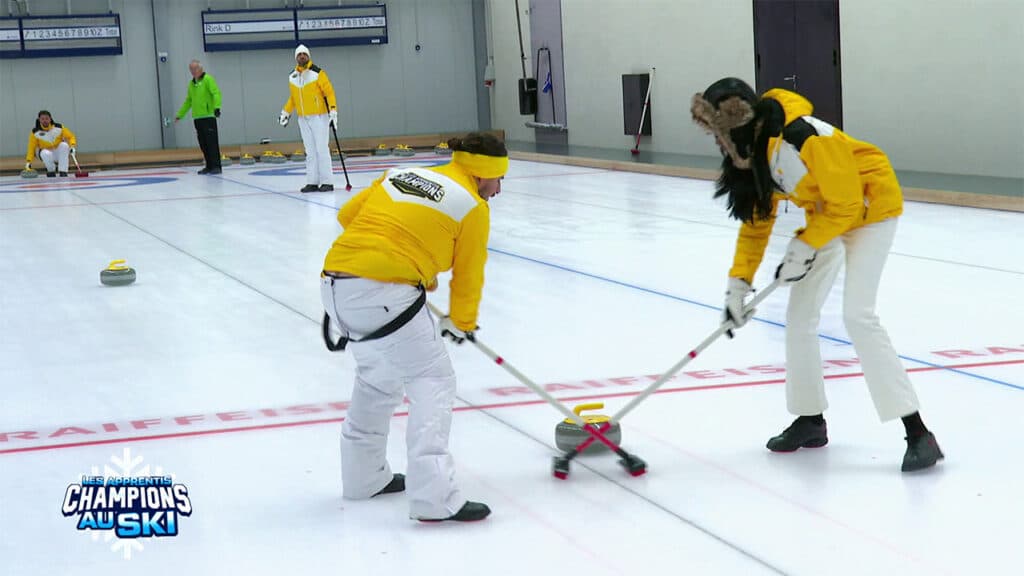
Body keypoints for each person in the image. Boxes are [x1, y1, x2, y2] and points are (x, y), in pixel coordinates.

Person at [690, 77, 943, 472]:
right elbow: (757, 221)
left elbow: (845, 205)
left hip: (869, 207)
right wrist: (738, 283)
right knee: (799, 315)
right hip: (826, 214)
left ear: (739, 122)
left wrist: (805, 246)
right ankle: (810, 419)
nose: (718, 142)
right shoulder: (752, 151)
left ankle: (919, 433)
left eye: (720, 132)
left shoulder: (801, 136)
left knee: (858, 315)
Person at [319, 132, 508, 521]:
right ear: (483, 172)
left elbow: (347, 216)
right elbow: (469, 274)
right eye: (498, 179)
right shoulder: (471, 206)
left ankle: (363, 477)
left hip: (335, 283)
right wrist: (462, 322)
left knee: (378, 379)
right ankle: (434, 498)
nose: (499, 189)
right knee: (433, 379)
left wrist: (410, 258)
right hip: (385, 293)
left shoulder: (401, 174)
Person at [279, 44, 337, 193]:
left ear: (309, 56)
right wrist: (286, 113)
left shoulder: (318, 73)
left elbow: (329, 93)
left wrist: (333, 111)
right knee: (310, 151)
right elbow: (293, 98)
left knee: (321, 149)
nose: (302, 56)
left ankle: (327, 181)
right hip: (303, 118)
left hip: (319, 116)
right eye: (299, 54)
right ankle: (312, 181)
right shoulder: (292, 76)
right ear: (296, 58)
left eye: (304, 54)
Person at [174, 59, 222, 175]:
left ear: (201, 69)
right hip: (198, 118)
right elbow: (189, 101)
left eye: (195, 68)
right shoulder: (191, 84)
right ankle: (209, 166)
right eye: (191, 69)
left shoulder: (208, 79)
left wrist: (217, 107)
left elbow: (216, 93)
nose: (193, 71)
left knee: (211, 143)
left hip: (208, 117)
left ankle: (216, 166)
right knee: (203, 144)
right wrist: (180, 115)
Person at [24, 110, 76, 177]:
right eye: (42, 119)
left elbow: (71, 136)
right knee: (45, 153)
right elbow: (31, 147)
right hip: (45, 153)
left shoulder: (59, 127)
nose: (45, 120)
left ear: (50, 119)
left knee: (64, 145)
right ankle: (51, 170)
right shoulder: (35, 132)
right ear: (39, 119)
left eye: (46, 118)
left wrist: (72, 146)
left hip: (57, 152)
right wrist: (29, 161)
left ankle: (63, 171)